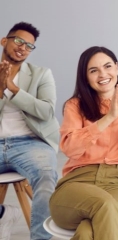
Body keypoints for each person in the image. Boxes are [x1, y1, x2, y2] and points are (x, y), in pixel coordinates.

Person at [49, 46, 118, 240]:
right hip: (76, 185)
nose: (102, 74)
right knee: (105, 205)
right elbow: (70, 149)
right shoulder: (75, 106)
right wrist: (109, 118)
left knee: (88, 231)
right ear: (85, 77)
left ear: (117, 68)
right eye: (93, 70)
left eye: (107, 66)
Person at [0, 22, 59, 240]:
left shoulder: (41, 74)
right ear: (4, 41)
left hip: (30, 143)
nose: (23, 47)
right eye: (19, 41)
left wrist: (13, 89)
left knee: (46, 176)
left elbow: (47, 112)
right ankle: (3, 214)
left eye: (29, 46)